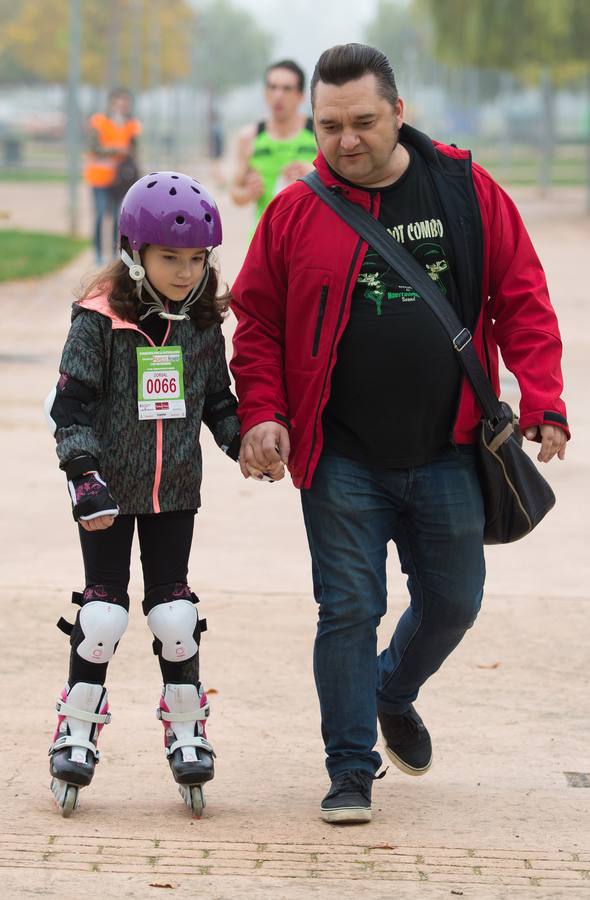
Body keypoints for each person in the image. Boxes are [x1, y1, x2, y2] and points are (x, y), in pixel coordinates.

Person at [230, 44, 569, 825]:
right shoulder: (297, 209)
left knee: (454, 601)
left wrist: (544, 397)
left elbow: (521, 295)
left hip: (450, 448)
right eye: (329, 126)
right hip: (340, 454)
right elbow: (259, 323)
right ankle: (350, 768)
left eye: (362, 122)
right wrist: (264, 413)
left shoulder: (463, 188)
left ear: (399, 113)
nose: (345, 140)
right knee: (348, 608)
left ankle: (394, 690)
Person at [44, 171, 241, 818]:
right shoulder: (100, 320)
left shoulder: (203, 323)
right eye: (170, 259)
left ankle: (187, 730)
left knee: (173, 615)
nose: (186, 272)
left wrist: (248, 441)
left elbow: (216, 401)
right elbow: (69, 407)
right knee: (102, 618)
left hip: (174, 490)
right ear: (135, 254)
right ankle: (76, 728)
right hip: (106, 490)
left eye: (196, 260)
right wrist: (83, 476)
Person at [230, 59, 317, 226]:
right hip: (263, 241)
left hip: (308, 238)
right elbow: (235, 193)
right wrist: (249, 192)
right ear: (265, 93)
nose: (278, 95)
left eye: (287, 89)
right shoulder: (249, 137)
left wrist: (315, 175)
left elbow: (340, 186)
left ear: (300, 96)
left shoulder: (318, 134)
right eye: (273, 87)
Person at [84, 87, 141, 264]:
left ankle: (116, 254)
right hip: (100, 177)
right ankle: (98, 253)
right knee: (101, 214)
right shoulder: (99, 122)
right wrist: (117, 150)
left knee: (119, 217)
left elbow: (134, 151)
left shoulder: (132, 125)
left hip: (121, 179)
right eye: (118, 103)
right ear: (111, 104)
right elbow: (93, 147)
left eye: (125, 103)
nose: (121, 107)